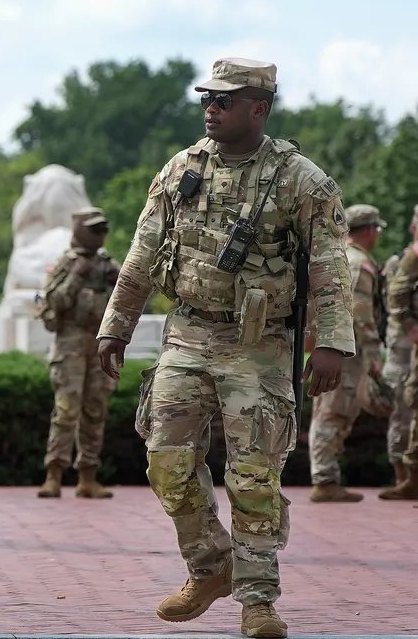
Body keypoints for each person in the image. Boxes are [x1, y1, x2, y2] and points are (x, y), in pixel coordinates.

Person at [96, 58, 354, 639]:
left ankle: (258, 601)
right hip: (187, 333)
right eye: (206, 99)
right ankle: (211, 567)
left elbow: (333, 268)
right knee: (167, 460)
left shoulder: (301, 180)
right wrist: (115, 325)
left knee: (254, 474)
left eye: (225, 101)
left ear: (259, 108)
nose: (210, 109)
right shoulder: (181, 168)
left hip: (259, 344)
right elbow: (142, 252)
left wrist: (333, 343)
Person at [36, 207, 119, 499]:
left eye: (102, 230)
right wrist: (75, 276)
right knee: (66, 410)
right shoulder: (65, 263)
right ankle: (53, 475)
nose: (100, 235)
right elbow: (52, 303)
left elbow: (127, 302)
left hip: (99, 344)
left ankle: (88, 478)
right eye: (94, 229)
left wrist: (117, 279)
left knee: (96, 410)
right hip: (70, 343)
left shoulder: (108, 265)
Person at [308, 204, 385, 502]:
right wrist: (374, 351)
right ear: (369, 230)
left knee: (330, 408)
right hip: (347, 348)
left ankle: (326, 476)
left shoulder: (340, 256)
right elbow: (361, 313)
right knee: (335, 409)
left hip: (334, 345)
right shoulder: (357, 263)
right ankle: (325, 479)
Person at [380, 205, 418, 500]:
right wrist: (409, 326)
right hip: (405, 345)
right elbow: (394, 298)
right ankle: (405, 475)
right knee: (405, 403)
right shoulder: (406, 260)